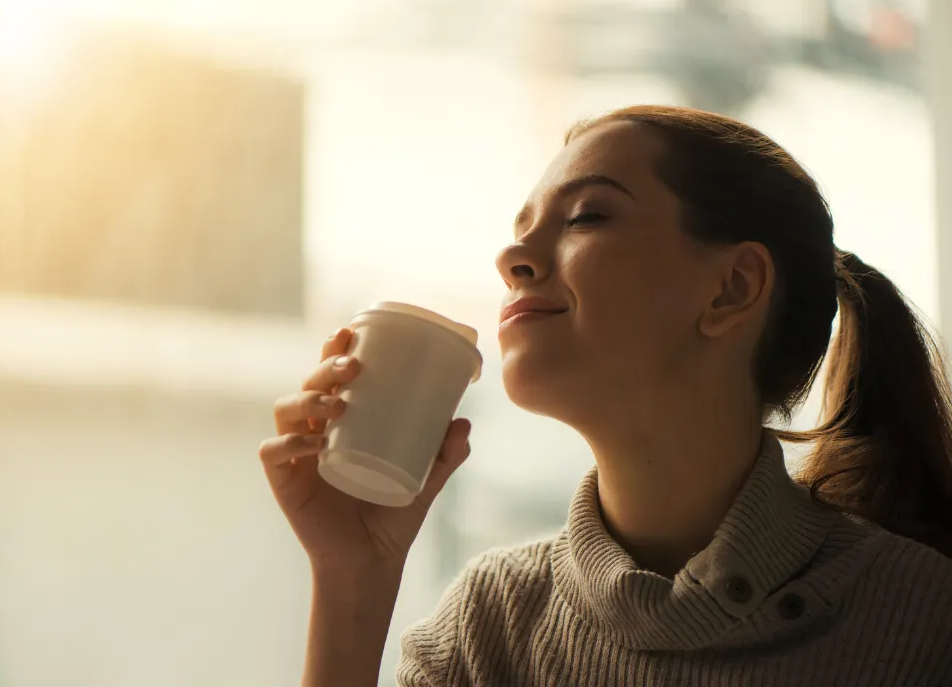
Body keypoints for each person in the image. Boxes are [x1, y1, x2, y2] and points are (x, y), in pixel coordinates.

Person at [260, 106, 952, 686]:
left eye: (586, 216)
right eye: (521, 228)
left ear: (732, 287)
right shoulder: (489, 626)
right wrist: (354, 576)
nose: (512, 257)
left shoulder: (924, 621)